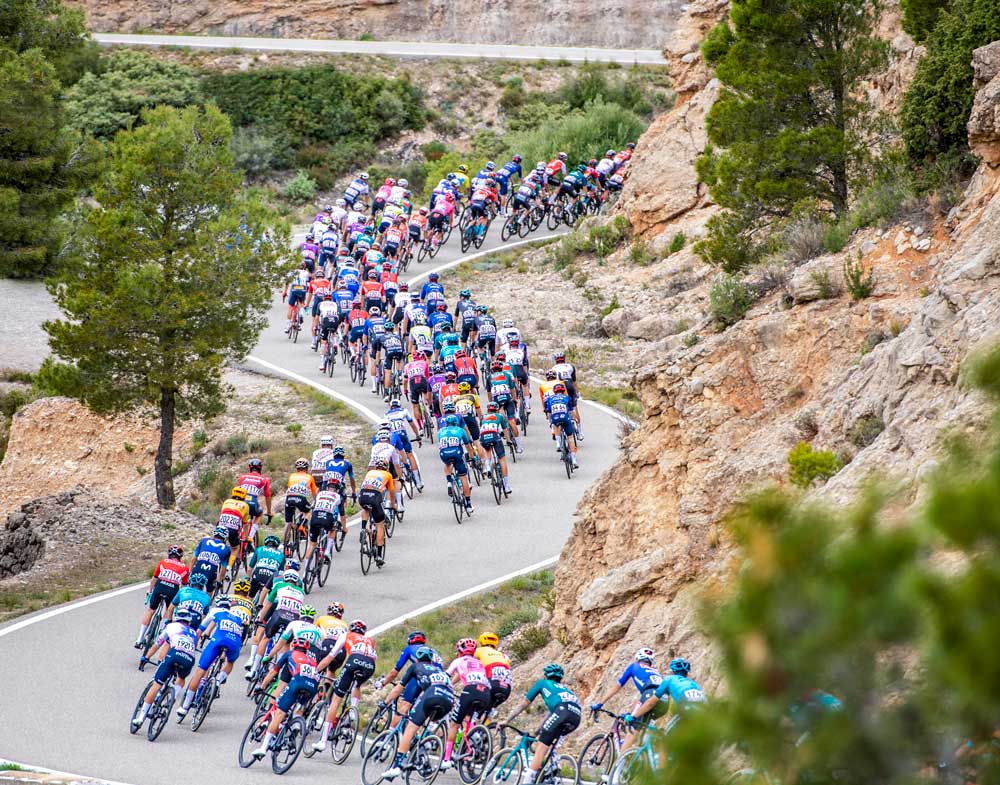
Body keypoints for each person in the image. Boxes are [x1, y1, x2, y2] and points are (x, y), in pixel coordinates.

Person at [381, 646, 456, 778]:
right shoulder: (439, 670)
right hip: (449, 700)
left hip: (432, 695)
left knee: (410, 727)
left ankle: (397, 767)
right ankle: (424, 746)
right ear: (431, 660)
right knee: (428, 720)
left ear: (417, 660)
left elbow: (399, 689)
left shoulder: (416, 667)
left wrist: (385, 702)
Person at [503, 663, 581, 783]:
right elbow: (551, 716)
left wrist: (507, 720)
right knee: (550, 743)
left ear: (546, 676)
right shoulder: (565, 690)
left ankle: (527, 781)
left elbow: (524, 704)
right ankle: (551, 768)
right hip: (576, 717)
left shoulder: (543, 683)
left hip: (562, 712)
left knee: (541, 747)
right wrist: (536, 732)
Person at [311, 619, 378, 752]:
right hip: (370, 666)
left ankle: (323, 741)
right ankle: (353, 710)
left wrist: (316, 671)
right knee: (357, 685)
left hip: (354, 661)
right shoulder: (369, 640)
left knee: (336, 700)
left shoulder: (346, 635)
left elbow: (330, 657)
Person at [250, 637, 321, 760]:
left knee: (279, 713)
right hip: (312, 688)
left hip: (297, 683)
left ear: (294, 646)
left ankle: (263, 747)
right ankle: (292, 736)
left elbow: (273, 672)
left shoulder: (290, 654)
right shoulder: (312, 660)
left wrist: (261, 687)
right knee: (298, 711)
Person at [176, 596, 244, 719]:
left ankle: (185, 707)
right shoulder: (237, 617)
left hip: (218, 641)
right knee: (230, 661)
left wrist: (192, 645)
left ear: (218, 604)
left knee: (200, 672)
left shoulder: (215, 611)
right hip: (235, 643)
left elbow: (200, 630)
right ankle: (218, 680)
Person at [131, 608, 198, 729]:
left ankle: (141, 717)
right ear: (189, 621)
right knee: (181, 678)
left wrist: (146, 657)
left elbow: (158, 644)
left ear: (176, 618)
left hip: (174, 655)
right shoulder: (193, 632)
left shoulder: (171, 627)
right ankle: (172, 697)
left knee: (156, 684)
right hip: (189, 659)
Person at [589, 648, 664, 753]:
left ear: (638, 658)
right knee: (641, 731)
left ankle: (618, 766)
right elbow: (641, 701)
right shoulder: (655, 672)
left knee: (632, 732)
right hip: (663, 700)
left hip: (649, 696)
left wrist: (600, 703)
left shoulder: (634, 666)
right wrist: (632, 713)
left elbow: (617, 688)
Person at [442, 638, 492, 769]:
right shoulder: (479, 663)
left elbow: (445, 677)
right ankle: (471, 744)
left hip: (471, 690)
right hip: (486, 693)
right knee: (469, 720)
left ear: (459, 651)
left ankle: (447, 759)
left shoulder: (458, 661)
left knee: (454, 724)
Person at [246, 569, 305, 678]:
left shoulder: (279, 586)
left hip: (279, 614)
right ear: (296, 582)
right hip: (293, 619)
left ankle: (253, 669)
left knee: (266, 638)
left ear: (285, 578)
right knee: (286, 644)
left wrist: (260, 619)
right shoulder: (301, 591)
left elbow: (267, 605)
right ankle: (276, 672)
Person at [629, 657, 705, 732]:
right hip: (703, 713)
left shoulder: (669, 679)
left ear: (672, 671)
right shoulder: (694, 684)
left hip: (686, 711)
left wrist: (634, 716)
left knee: (665, 737)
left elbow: (651, 703)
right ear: (687, 673)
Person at [136, 545, 189, 648]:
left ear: (169, 554)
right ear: (180, 556)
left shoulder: (163, 562)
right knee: (169, 610)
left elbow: (154, 578)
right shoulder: (185, 568)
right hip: (172, 589)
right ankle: (163, 631)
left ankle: (139, 639)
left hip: (160, 586)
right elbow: (183, 586)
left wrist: (149, 590)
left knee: (151, 610)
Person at [357, 457, 396, 567]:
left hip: (363, 495)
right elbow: (391, 493)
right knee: (380, 525)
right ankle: (379, 555)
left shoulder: (370, 472)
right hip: (375, 496)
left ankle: (363, 529)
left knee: (365, 509)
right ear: (386, 468)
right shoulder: (388, 475)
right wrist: (393, 506)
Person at [438, 413, 474, 514]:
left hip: (444, 454)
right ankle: (468, 504)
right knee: (463, 478)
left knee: (448, 464)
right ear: (456, 423)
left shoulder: (440, 431)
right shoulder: (460, 430)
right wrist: (472, 457)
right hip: (457, 454)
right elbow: (468, 446)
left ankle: (449, 481)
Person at [475, 632, 513, 715]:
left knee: (472, 706)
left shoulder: (480, 650)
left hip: (491, 682)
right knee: (486, 711)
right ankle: (484, 727)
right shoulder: (503, 655)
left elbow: (467, 660)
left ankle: (474, 726)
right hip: (506, 688)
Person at [322, 445, 357, 534]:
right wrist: (353, 492)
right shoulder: (348, 464)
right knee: (342, 502)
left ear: (333, 456)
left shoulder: (328, 462)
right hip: (338, 484)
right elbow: (352, 479)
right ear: (343, 456)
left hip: (326, 484)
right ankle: (344, 527)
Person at [480, 402, 512, 493]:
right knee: (502, 459)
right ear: (497, 409)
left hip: (484, 437)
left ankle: (488, 467)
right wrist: (508, 440)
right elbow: (505, 429)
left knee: (487, 450)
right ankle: (506, 486)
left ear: (488, 410)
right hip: (495, 436)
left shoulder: (483, 417)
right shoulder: (499, 416)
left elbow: (482, 428)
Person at [284, 459, 318, 546]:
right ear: (306, 468)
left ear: (296, 468)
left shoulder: (291, 476)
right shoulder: (309, 477)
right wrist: (316, 502)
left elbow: (289, 487)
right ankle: (302, 525)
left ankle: (286, 545)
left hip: (289, 498)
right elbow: (314, 493)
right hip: (301, 498)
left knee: (288, 522)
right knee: (308, 511)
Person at [189, 526, 232, 595]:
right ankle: (207, 603)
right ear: (225, 537)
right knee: (209, 592)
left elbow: (193, 560)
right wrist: (219, 581)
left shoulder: (203, 541)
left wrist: (189, 573)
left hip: (198, 568)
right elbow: (223, 569)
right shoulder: (227, 549)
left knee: (191, 588)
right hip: (211, 572)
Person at [545, 382, 578, 468]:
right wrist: (574, 419)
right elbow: (571, 411)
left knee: (555, 424)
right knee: (570, 437)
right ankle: (574, 460)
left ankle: (558, 444)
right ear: (563, 391)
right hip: (565, 418)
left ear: (554, 392)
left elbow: (548, 413)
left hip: (555, 418)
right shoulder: (567, 397)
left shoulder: (550, 398)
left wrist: (550, 422)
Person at [237, 458, 273, 535]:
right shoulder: (265, 479)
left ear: (250, 467)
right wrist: (269, 512)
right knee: (259, 514)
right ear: (260, 468)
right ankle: (250, 536)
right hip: (252, 502)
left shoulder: (242, 477)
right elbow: (268, 496)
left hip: (240, 502)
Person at [217, 486, 251, 564]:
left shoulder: (227, 501)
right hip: (233, 529)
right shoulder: (245, 505)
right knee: (235, 548)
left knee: (217, 543)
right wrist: (246, 537)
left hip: (220, 526)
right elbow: (245, 524)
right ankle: (229, 567)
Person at [249, 534, 286, 602]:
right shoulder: (281, 555)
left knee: (250, 597)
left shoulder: (259, 549)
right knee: (271, 601)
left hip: (258, 575)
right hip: (270, 578)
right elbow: (280, 574)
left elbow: (250, 568)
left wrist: (249, 579)